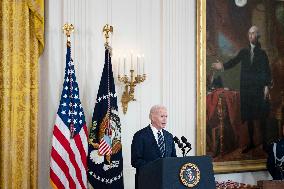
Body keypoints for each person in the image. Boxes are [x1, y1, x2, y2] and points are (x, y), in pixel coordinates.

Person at [211, 25, 272, 153]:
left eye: (254, 33)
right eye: (249, 33)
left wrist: (266, 86)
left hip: (258, 89)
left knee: (261, 116)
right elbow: (233, 61)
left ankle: (265, 143)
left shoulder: (262, 53)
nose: (251, 36)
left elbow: (267, 71)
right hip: (246, 89)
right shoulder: (244, 52)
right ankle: (251, 143)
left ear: (258, 36)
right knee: (248, 116)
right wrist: (221, 66)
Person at [131, 105, 177, 188]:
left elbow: (173, 158)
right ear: (152, 117)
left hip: (167, 182)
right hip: (147, 181)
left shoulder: (169, 136)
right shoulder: (140, 135)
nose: (165, 119)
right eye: (162, 116)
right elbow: (136, 160)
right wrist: (156, 167)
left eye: (166, 116)